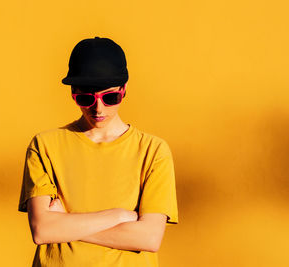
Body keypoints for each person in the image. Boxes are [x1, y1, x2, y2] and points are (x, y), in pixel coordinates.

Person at [18, 36, 178, 267]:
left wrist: (64, 225)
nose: (98, 108)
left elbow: (149, 237)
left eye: (110, 97)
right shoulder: (44, 146)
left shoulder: (153, 151)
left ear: (124, 90)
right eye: (85, 98)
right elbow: (42, 230)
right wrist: (118, 216)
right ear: (73, 92)